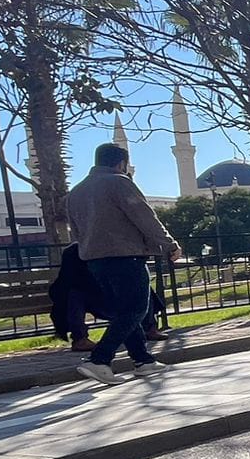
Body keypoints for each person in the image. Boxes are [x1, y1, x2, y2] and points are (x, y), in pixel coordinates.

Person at [66, 143, 180, 384]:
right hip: (126, 255)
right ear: (122, 164)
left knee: (123, 312)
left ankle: (143, 360)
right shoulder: (119, 182)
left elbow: (75, 231)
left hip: (94, 260)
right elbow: (145, 217)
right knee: (136, 309)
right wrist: (169, 244)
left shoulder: (76, 191)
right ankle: (100, 359)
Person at [48, 243, 165, 352]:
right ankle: (80, 339)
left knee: (140, 284)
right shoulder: (73, 251)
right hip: (92, 297)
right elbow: (65, 283)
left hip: (114, 293)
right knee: (74, 294)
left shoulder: (112, 247)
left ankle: (150, 328)